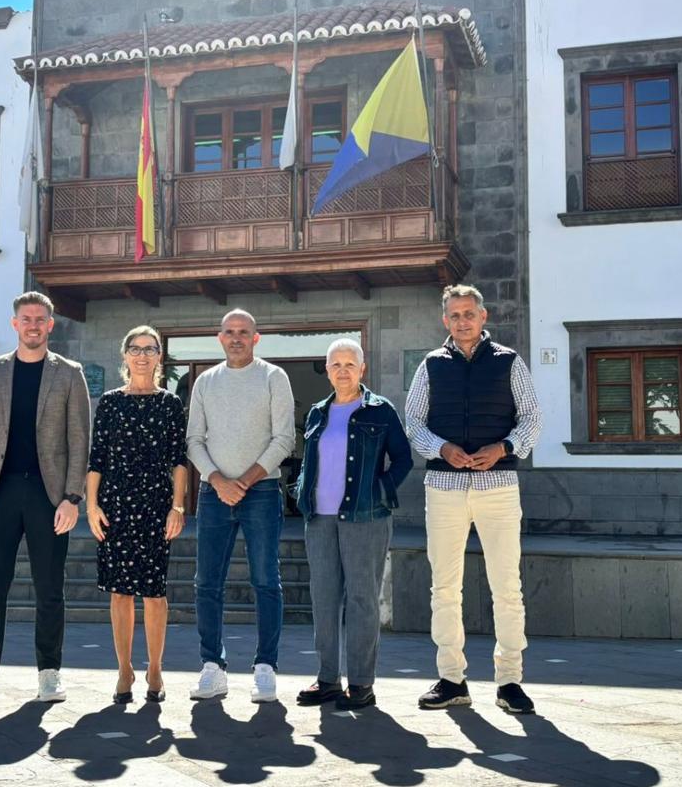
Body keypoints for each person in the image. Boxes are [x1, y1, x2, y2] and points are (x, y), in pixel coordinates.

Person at [405, 284, 543, 715]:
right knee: (444, 587)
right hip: (443, 489)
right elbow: (413, 421)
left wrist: (503, 447)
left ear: (484, 317)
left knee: (508, 587)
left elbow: (533, 417)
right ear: (445, 320)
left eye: (469, 313)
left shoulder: (509, 361)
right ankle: (451, 679)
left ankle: (510, 681)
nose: (462, 321)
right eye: (454, 315)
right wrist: (441, 449)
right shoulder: (430, 365)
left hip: (498, 488)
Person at [0, 292, 90, 705]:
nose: (33, 325)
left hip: (49, 496)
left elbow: (79, 440)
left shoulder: (70, 373)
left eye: (41, 319)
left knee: (49, 588)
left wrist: (72, 498)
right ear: (15, 324)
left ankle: (49, 673)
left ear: (51, 325)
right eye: (26, 318)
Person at [294, 338, 413, 710]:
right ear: (327, 371)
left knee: (362, 600)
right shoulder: (317, 412)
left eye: (350, 364)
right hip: (320, 519)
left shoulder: (380, 410)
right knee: (324, 598)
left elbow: (404, 459)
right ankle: (328, 678)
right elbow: (310, 459)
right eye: (335, 365)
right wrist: (300, 488)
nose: (342, 370)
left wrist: (381, 489)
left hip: (366, 518)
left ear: (362, 369)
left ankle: (361, 683)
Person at [186, 309, 295, 702]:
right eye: (229, 332)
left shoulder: (273, 378)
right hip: (213, 495)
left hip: (261, 492)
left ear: (256, 338)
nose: (236, 338)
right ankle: (212, 666)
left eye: (243, 332)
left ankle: (265, 666)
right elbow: (194, 440)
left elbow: (284, 439)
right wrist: (218, 481)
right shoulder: (205, 382)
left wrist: (243, 482)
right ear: (220, 338)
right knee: (206, 583)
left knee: (266, 580)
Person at [86, 326, 188, 704]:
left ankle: (156, 669)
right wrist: (92, 506)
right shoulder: (110, 403)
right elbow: (97, 460)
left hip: (156, 507)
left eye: (150, 349)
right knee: (120, 593)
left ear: (159, 356)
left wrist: (177, 506)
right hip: (115, 507)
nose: (142, 355)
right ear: (125, 355)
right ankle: (124, 670)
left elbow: (179, 461)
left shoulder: (170, 404)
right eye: (135, 348)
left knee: (155, 593)